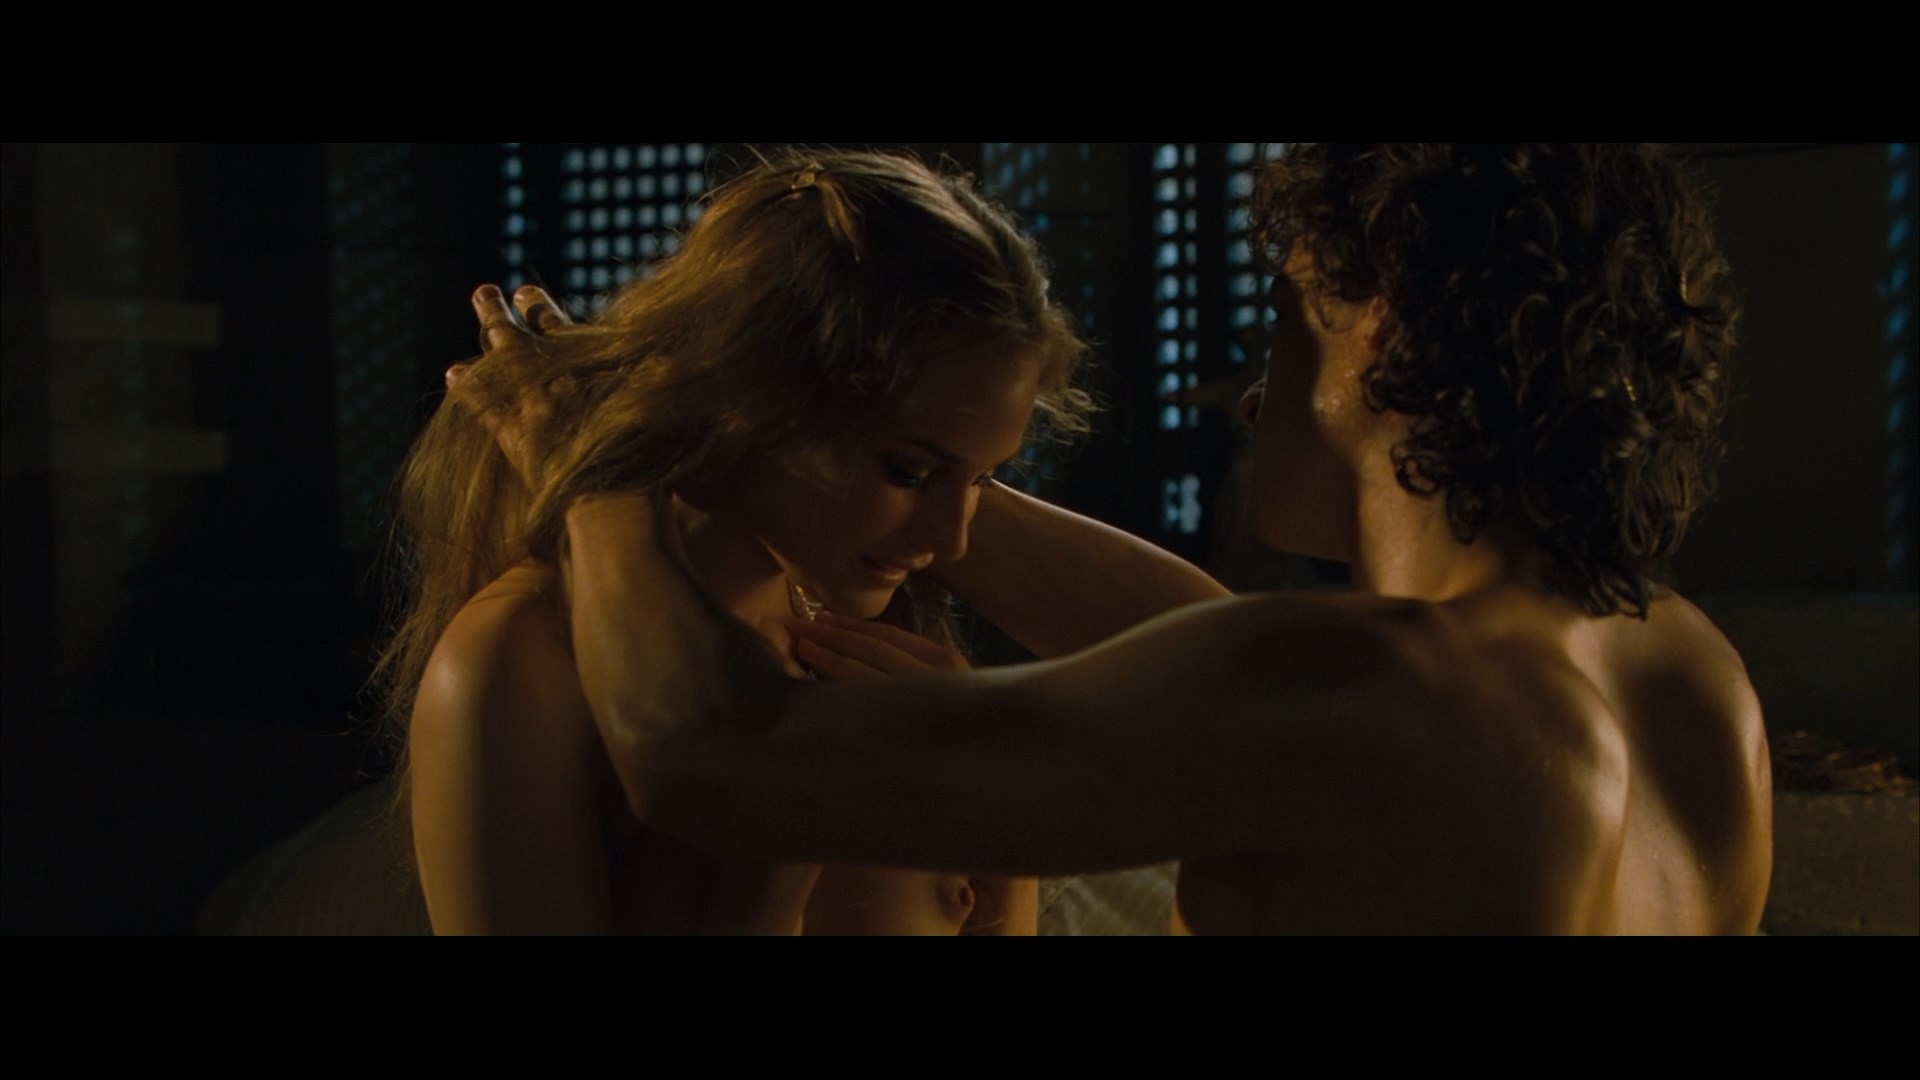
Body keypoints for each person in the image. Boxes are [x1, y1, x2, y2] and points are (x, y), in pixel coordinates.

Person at [478, 143, 1772, 934]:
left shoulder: (1352, 694)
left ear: (1382, 334)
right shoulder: (1688, 678)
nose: (1252, 391)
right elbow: (1209, 641)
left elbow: (703, 751)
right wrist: (870, 458)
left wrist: (598, 463)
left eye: (1287, 321)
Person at [387, 149, 1092, 933]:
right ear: (751, 397)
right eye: (909, 471)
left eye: (985, 479)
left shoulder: (864, 623)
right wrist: (794, 831)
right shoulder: (523, 657)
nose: (952, 542)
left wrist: (996, 790)